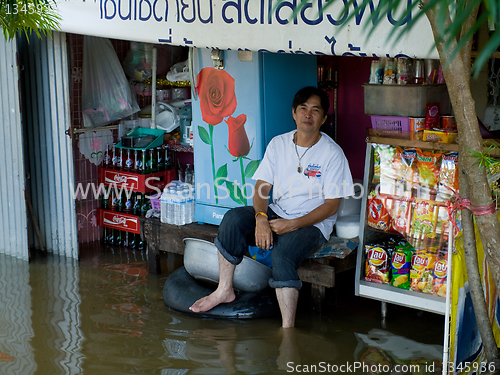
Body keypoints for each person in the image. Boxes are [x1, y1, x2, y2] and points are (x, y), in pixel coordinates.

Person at [189, 86, 354, 328]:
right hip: (278, 211)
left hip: (313, 224)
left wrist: (293, 224)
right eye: (303, 109)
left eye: (315, 110)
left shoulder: (333, 154)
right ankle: (224, 290)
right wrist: (261, 218)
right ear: (294, 113)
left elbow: (331, 207)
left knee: (283, 254)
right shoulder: (279, 144)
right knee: (233, 219)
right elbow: (262, 187)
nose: (308, 115)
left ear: (324, 118)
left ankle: (288, 329)